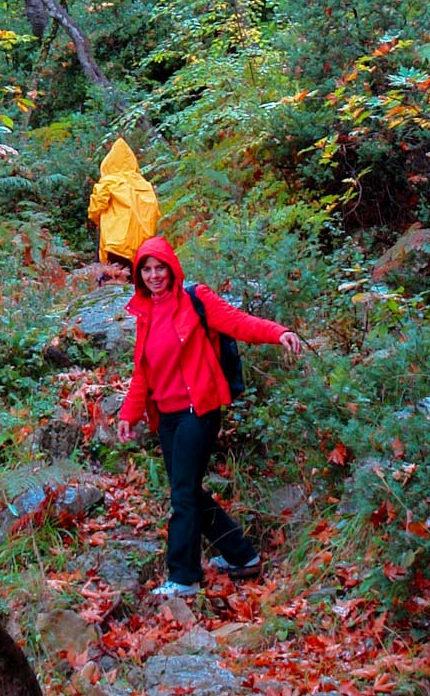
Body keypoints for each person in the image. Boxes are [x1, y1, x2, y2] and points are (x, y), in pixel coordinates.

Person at [116, 235, 302, 597]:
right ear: (139, 276)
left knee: (182, 496)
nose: (155, 276)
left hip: (197, 411)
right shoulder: (145, 312)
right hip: (166, 418)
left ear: (172, 268)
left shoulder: (195, 300)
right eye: (147, 270)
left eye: (160, 268)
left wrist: (278, 333)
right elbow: (143, 371)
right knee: (188, 492)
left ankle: (183, 577)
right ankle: (242, 556)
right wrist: (130, 412)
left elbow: (238, 322)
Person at [87, 138, 161, 277]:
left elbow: (94, 211)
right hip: (142, 245)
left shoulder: (107, 183)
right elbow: (154, 213)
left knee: (113, 285)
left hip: (115, 244)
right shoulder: (145, 185)